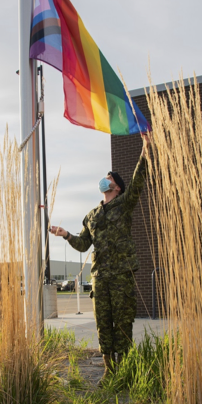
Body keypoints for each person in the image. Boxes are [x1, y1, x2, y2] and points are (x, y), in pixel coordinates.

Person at [50, 134, 151, 383]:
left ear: (116, 186)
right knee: (103, 325)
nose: (104, 180)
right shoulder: (92, 215)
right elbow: (84, 244)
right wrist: (66, 235)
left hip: (121, 277)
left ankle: (125, 369)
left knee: (123, 323)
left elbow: (138, 180)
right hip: (100, 278)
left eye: (108, 178)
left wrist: (146, 149)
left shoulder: (125, 204)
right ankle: (109, 371)